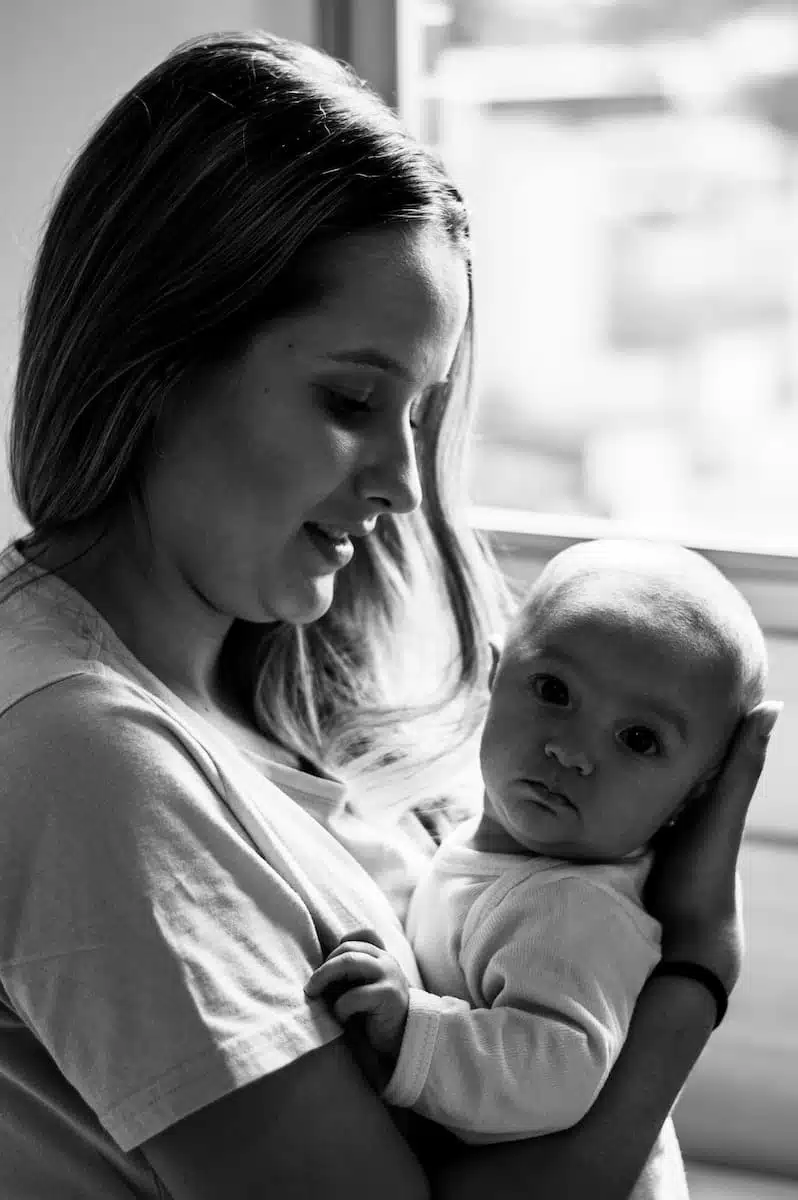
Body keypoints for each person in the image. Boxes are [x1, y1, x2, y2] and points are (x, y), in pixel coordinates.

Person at [0, 29, 780, 1200]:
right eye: (352, 400)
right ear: (158, 352)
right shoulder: (83, 759)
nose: (402, 486)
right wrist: (697, 976)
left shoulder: (261, 693)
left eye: (419, 418)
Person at [307, 538, 769, 1198]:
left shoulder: (578, 908)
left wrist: (411, 1030)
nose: (572, 749)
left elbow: (558, 1070)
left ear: (689, 799)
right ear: (493, 677)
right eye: (555, 691)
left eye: (638, 739)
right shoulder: (500, 848)